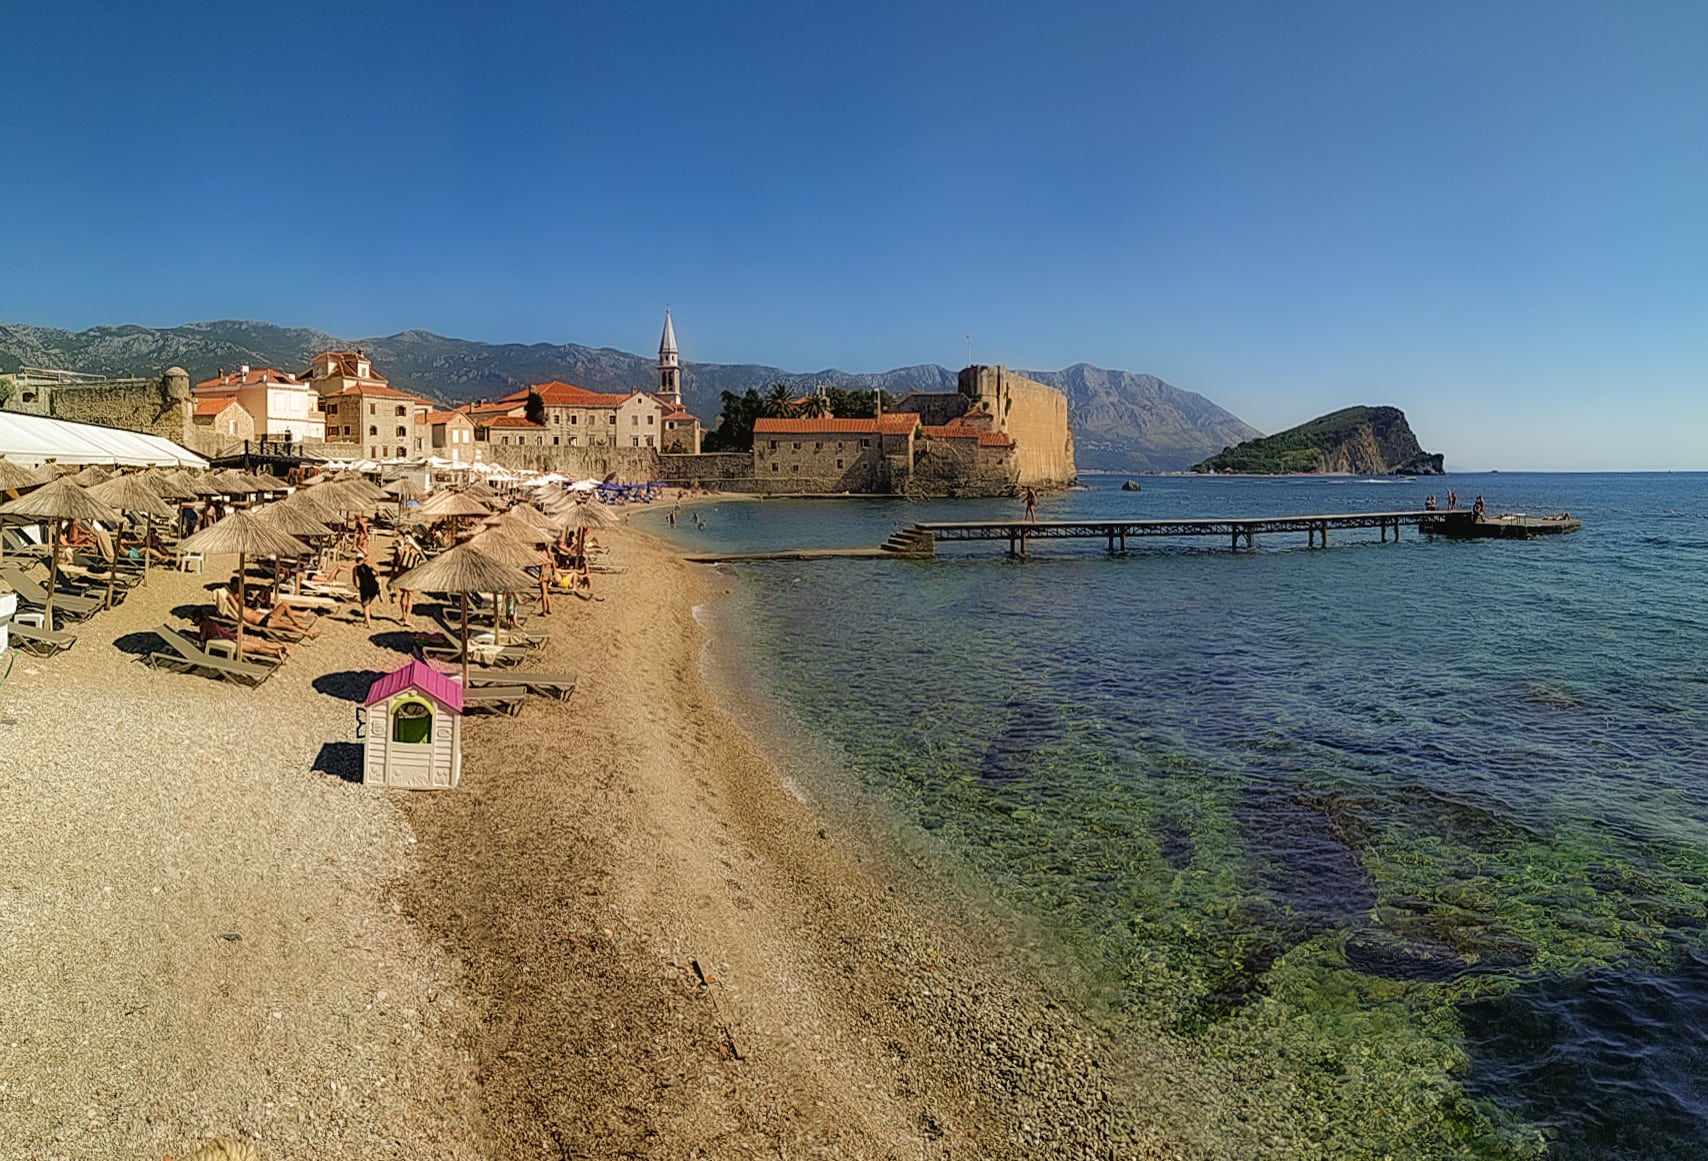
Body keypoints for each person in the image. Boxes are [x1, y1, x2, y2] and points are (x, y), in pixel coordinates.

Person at [353, 555, 381, 628]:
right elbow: (378, 571)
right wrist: (371, 563)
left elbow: (354, 579)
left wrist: (356, 586)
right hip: (374, 587)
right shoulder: (368, 565)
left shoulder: (355, 568)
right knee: (369, 603)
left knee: (366, 606)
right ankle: (366, 619)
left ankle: (369, 624)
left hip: (364, 588)